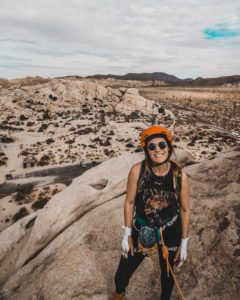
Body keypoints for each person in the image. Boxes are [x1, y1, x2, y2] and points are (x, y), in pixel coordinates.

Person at [111, 126, 190, 300]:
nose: (158, 150)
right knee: (123, 272)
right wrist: (127, 234)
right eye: (152, 146)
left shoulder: (179, 176)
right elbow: (129, 202)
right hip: (142, 227)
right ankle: (119, 290)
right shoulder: (137, 171)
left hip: (170, 231)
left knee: (168, 275)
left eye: (162, 145)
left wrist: (183, 242)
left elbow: (184, 209)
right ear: (146, 150)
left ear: (169, 147)